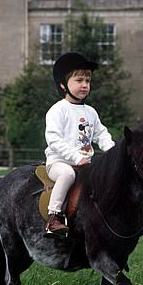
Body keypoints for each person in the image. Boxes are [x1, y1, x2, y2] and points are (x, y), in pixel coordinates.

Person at [44, 52, 115, 237]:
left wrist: (115, 154)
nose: (85, 85)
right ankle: (53, 217)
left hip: (85, 165)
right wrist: (76, 158)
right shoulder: (57, 110)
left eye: (88, 81)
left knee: (110, 179)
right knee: (67, 174)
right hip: (59, 163)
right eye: (79, 80)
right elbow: (53, 139)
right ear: (63, 84)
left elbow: (102, 135)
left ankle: (121, 218)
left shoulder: (90, 112)